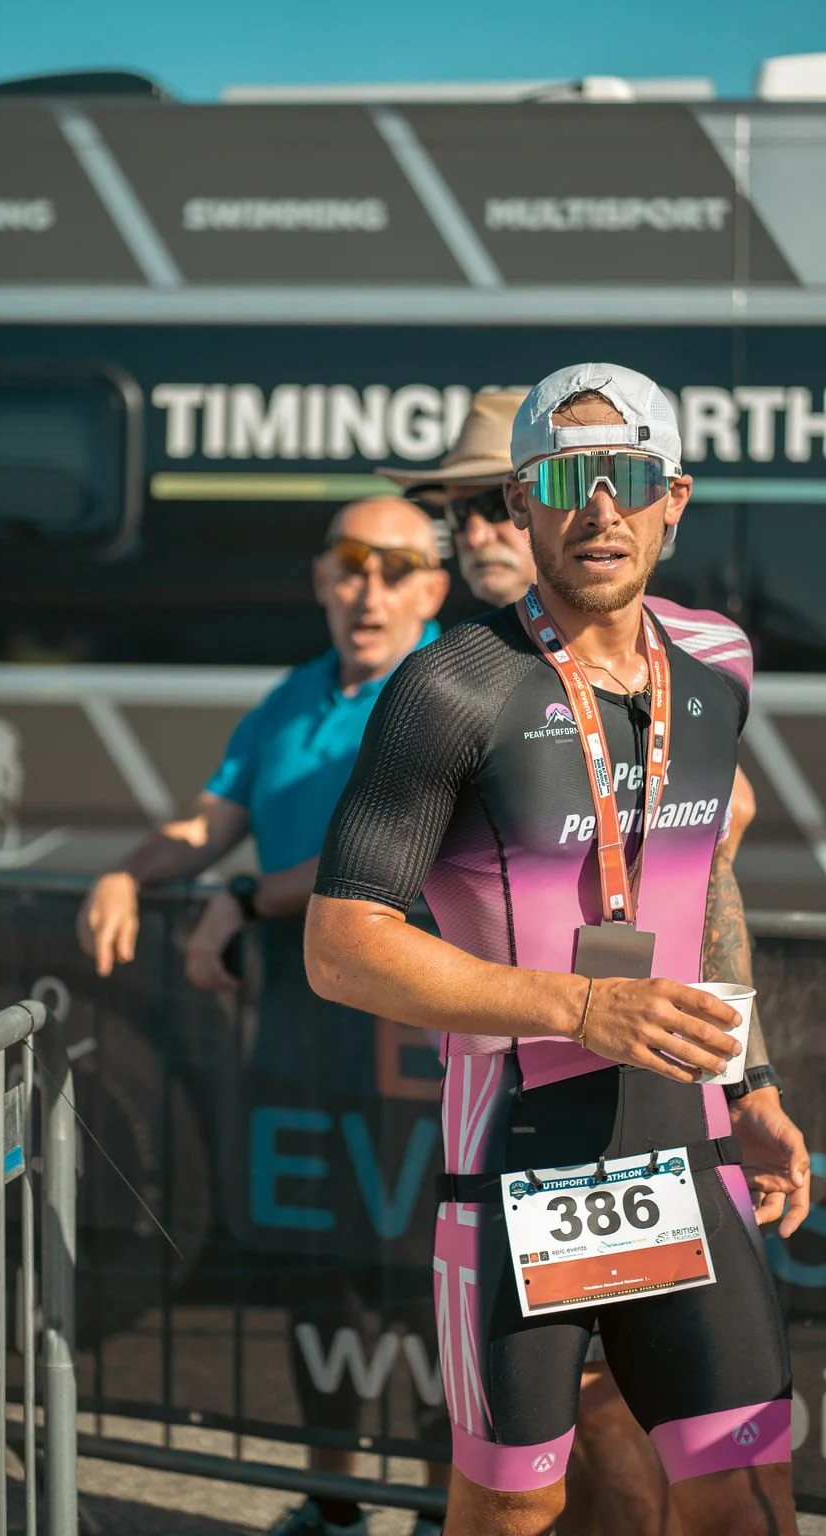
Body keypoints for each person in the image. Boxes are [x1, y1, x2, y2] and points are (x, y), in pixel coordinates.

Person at [305, 363, 810, 1536]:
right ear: (522, 505)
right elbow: (342, 945)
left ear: (670, 503)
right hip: (516, 1167)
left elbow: (704, 876)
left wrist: (755, 1077)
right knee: (511, 1517)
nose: (598, 511)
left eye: (625, 480)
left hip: (689, 1149)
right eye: (566, 482)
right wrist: (579, 1009)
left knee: (743, 1501)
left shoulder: (717, 668)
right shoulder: (449, 688)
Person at [78, 496, 450, 1536]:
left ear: (432, 587)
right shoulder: (294, 694)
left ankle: (431, 1504)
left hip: (409, 1039)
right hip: (300, 1032)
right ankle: (334, 1504)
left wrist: (241, 899)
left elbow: (388, 859)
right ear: (321, 581)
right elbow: (209, 820)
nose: (366, 588)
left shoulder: (445, 688)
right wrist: (125, 873)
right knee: (313, 1269)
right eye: (347, 564)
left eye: (392, 567)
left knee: (423, 1274)